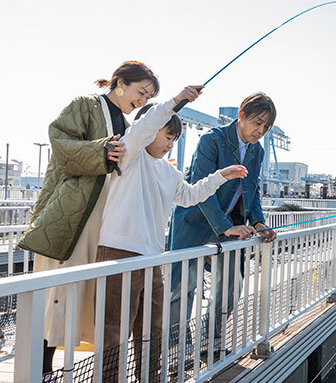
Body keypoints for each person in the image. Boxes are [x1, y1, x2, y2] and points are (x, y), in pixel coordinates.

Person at [95, 88, 247, 379]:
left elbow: (189, 196)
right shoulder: (130, 155)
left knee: (153, 328)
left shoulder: (168, 171)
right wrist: (177, 101)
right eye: (167, 136)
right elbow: (145, 126)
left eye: (175, 139)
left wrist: (220, 176)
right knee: (114, 330)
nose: (170, 143)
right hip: (118, 253)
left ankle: (150, 377)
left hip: (152, 257)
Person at [18, 61, 158, 373]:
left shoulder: (124, 122)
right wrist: (101, 150)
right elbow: (60, 141)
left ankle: (59, 370)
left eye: (148, 97)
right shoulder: (86, 105)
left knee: (82, 294)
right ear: (120, 82)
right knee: (59, 293)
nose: (143, 101)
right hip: (73, 214)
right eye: (141, 91)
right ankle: (41, 369)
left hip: (103, 219)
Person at [167, 92, 277, 343]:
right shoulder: (211, 140)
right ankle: (175, 349)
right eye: (257, 122)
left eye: (266, 126)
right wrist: (227, 227)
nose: (261, 130)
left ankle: (210, 341)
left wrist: (258, 222)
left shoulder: (257, 151)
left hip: (229, 226)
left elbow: (253, 191)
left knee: (231, 284)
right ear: (241, 116)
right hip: (193, 222)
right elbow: (200, 189)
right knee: (181, 288)